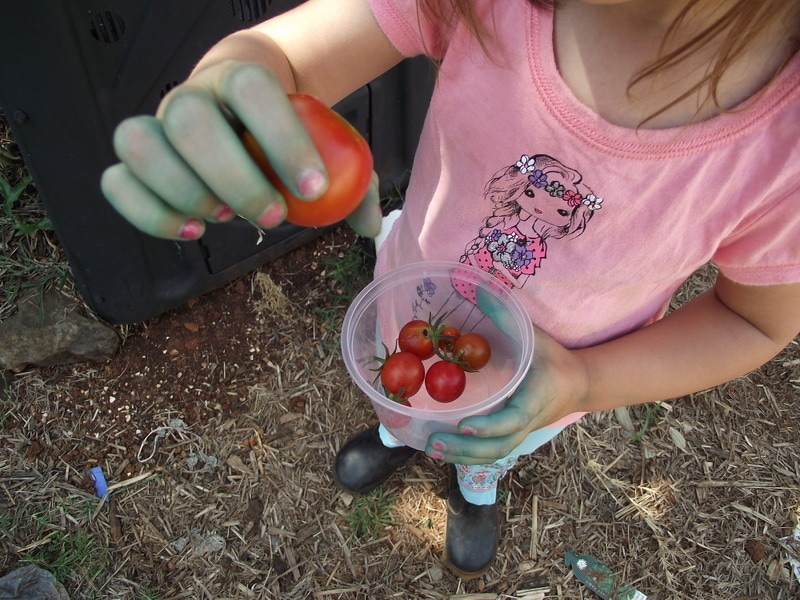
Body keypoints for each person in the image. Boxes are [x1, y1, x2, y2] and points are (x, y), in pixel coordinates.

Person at [100, 0, 800, 579]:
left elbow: (756, 321)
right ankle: (395, 433)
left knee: (490, 441)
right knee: (403, 393)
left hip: (540, 380)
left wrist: (586, 381)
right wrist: (232, 89)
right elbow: (281, 54)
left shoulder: (785, 156)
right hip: (411, 305)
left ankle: (477, 489)